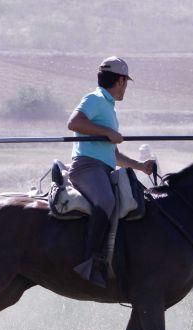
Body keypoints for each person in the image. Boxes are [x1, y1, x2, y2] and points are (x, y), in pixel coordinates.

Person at [67, 56, 157, 287]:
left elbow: (113, 155)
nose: (125, 87)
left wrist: (140, 166)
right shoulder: (96, 99)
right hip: (86, 167)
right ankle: (90, 262)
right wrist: (107, 131)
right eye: (125, 82)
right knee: (106, 200)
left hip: (102, 167)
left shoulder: (107, 107)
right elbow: (74, 122)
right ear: (119, 80)